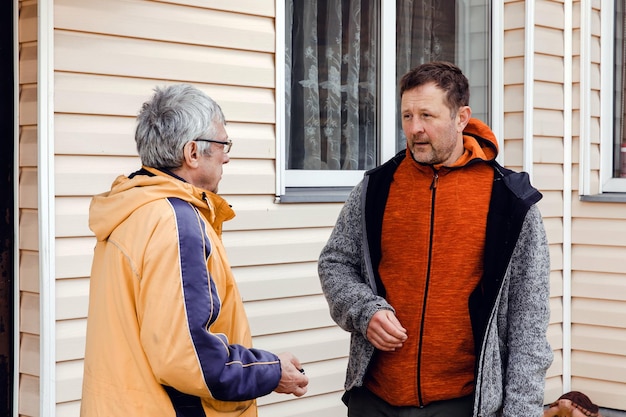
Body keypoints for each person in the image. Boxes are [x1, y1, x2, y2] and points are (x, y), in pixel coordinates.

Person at [318, 61, 553, 417]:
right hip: (373, 399)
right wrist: (365, 312)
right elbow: (335, 262)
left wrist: (521, 411)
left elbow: (529, 322)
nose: (415, 129)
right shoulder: (376, 187)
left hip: (463, 404)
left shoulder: (510, 201)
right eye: (407, 116)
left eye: (427, 115)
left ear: (461, 117)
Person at [81, 84, 308, 417]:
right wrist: (271, 371)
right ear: (192, 153)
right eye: (222, 144)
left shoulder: (133, 208)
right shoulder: (175, 222)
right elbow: (189, 357)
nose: (227, 155)